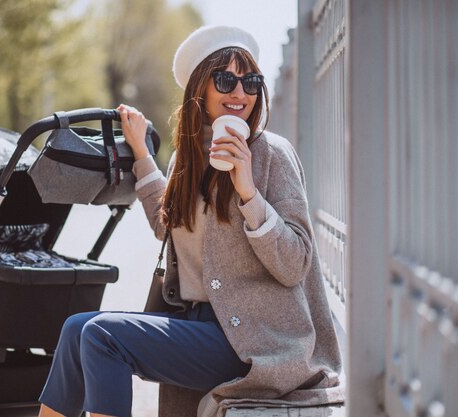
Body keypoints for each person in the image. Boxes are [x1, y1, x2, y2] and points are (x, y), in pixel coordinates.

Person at [38, 25, 343, 417]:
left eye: (250, 81)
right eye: (225, 80)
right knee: (75, 329)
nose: (240, 93)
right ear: (200, 87)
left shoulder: (271, 155)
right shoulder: (187, 157)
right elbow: (168, 226)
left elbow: (295, 263)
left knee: (101, 337)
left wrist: (248, 191)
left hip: (253, 340)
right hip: (197, 328)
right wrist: (142, 155)